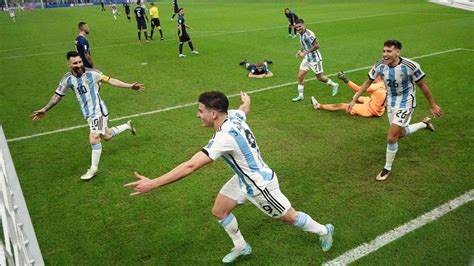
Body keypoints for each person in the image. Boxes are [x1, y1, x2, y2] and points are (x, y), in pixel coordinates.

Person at [124, 91, 335, 263]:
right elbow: (244, 110)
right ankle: (242, 247)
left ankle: (323, 230)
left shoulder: (223, 138)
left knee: (290, 217)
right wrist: (247, 101)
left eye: (200, 111)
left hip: (261, 187)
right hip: (243, 179)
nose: (198, 115)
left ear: (214, 113)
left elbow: (191, 165)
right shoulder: (233, 115)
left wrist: (154, 183)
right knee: (219, 211)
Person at [31, 51, 145, 181]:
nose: (79, 65)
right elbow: (57, 96)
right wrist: (45, 109)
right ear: (68, 64)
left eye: (80, 62)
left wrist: (130, 86)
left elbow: (111, 81)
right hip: (89, 114)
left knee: (94, 138)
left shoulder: (93, 73)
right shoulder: (67, 79)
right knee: (106, 136)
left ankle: (93, 169)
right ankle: (127, 126)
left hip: (98, 111)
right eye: (75, 63)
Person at [347, 40, 442, 181]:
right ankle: (424, 124)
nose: (385, 54)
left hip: (406, 102)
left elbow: (423, 86)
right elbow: (367, 82)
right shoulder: (379, 66)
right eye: (384, 51)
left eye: (389, 51)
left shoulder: (410, 66)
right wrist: (355, 99)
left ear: (397, 52)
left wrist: (433, 105)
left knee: (391, 137)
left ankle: (387, 168)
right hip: (391, 102)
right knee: (399, 134)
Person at [292, 19, 339, 102]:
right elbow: (304, 44)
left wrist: (305, 52)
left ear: (303, 25)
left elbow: (317, 45)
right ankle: (300, 95)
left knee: (320, 77)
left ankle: (334, 85)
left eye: (300, 26)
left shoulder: (309, 34)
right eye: (296, 27)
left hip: (315, 58)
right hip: (307, 58)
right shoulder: (299, 34)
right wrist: (300, 51)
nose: (298, 28)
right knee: (300, 76)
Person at [311, 71, 386, 117]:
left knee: (342, 105)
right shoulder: (387, 85)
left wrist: (345, 79)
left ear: (378, 76)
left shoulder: (376, 86)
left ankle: (318, 106)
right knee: (359, 97)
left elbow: (358, 89)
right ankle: (357, 99)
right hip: (379, 108)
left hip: (371, 110)